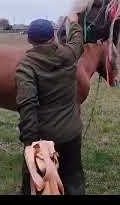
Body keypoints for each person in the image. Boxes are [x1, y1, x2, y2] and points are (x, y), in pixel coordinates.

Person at [15, 14, 85, 195]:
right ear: (53, 36)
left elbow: (27, 106)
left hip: (44, 140)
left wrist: (30, 144)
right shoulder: (70, 55)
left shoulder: (26, 66)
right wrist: (75, 22)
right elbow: (77, 41)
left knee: (40, 185)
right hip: (72, 133)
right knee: (73, 178)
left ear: (30, 40)